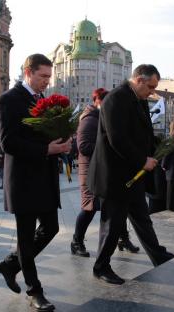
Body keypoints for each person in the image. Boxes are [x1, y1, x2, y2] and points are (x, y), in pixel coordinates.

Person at [0, 54, 71, 311]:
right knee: (26, 238)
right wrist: (45, 149)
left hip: (45, 178)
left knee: (51, 228)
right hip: (23, 180)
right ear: (28, 72)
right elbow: (8, 143)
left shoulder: (42, 101)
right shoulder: (8, 100)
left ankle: (10, 264)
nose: (47, 82)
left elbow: (44, 135)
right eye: (43, 76)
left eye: (49, 77)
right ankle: (34, 290)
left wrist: (62, 142)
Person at [88, 64, 174, 285]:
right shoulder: (115, 99)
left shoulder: (140, 99)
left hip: (132, 174)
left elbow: (142, 132)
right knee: (113, 223)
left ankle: (159, 256)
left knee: (142, 218)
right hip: (114, 175)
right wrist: (142, 160)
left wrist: (160, 146)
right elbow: (117, 139)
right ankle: (101, 267)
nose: (153, 92)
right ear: (138, 80)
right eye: (151, 86)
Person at [71, 88, 139, 258]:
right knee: (89, 208)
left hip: (105, 169)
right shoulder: (89, 120)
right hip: (89, 171)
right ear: (99, 101)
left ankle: (123, 239)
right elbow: (84, 147)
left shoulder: (104, 118)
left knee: (116, 206)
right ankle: (76, 242)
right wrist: (108, 148)